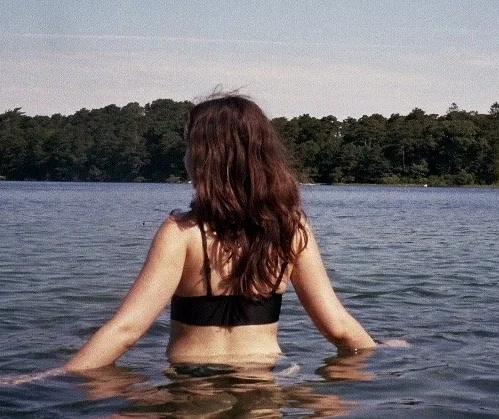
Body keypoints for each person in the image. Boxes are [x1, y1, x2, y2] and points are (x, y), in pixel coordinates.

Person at [63, 93, 377, 372]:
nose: (185, 156)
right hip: (264, 384)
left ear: (206, 157)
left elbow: (126, 330)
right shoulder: (289, 229)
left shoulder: (182, 233)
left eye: (189, 146)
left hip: (193, 388)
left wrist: (52, 378)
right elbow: (338, 327)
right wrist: (380, 351)